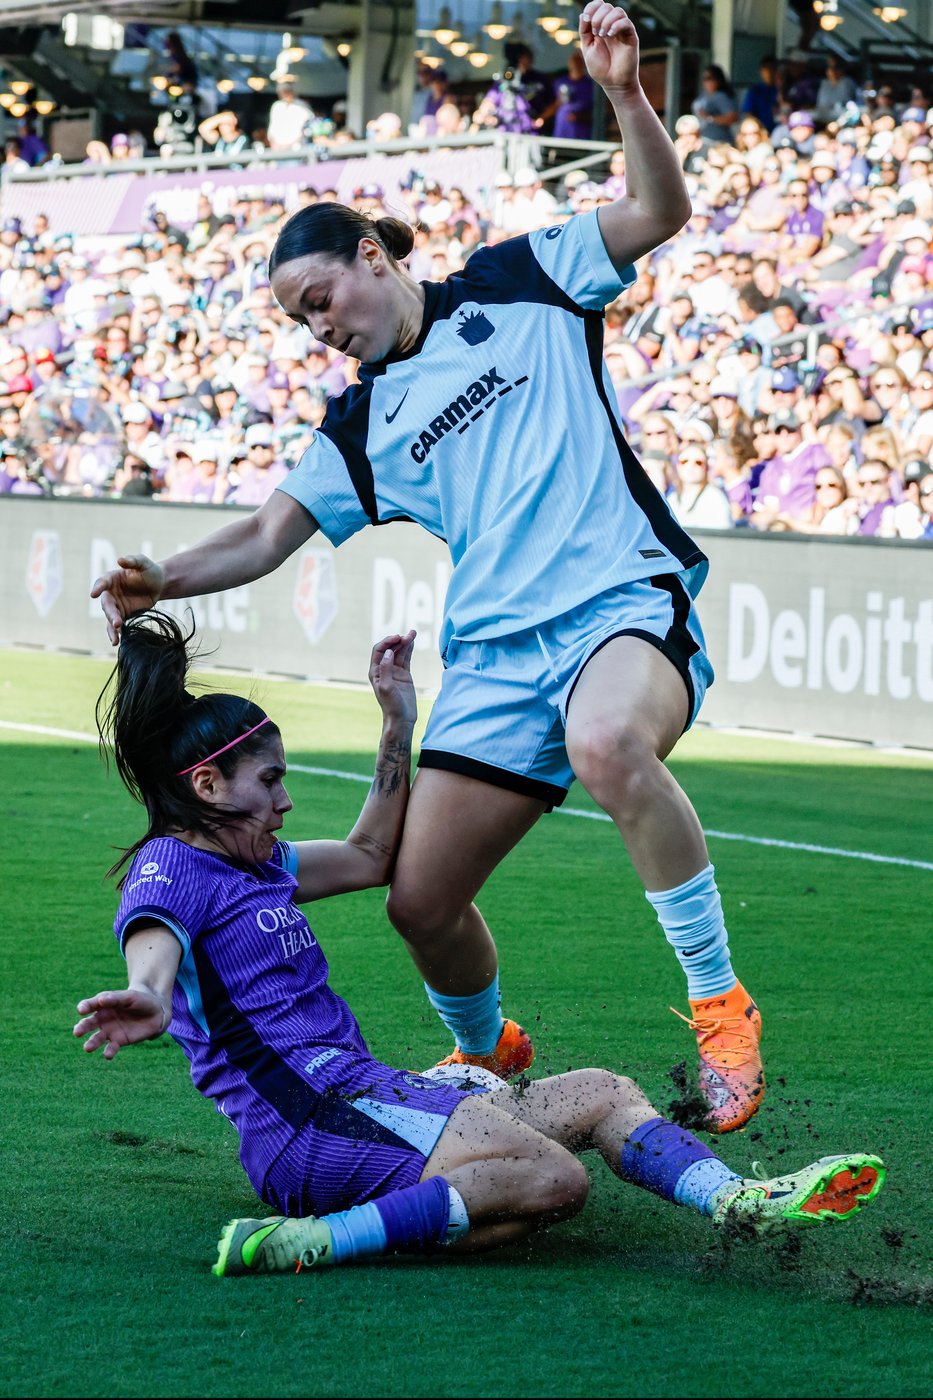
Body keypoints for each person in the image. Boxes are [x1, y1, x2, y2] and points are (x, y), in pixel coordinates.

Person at [92, 4, 766, 1136]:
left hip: (619, 605)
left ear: (372, 254)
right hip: (497, 656)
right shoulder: (359, 425)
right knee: (418, 898)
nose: (320, 329)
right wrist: (166, 573)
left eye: (321, 300)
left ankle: (719, 1004)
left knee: (608, 742)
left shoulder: (524, 279)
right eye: (301, 322)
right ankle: (488, 1050)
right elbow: (264, 536)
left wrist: (625, 95)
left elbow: (661, 208)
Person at [74, 611, 885, 1276]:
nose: (285, 800)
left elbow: (368, 857)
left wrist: (397, 721)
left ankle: (741, 1201)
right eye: (270, 782)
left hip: (364, 1096)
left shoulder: (259, 863)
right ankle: (309, 1241)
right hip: (308, 1128)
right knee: (549, 1179)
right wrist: (146, 998)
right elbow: (152, 956)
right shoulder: (167, 872)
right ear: (207, 787)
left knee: (599, 1091)